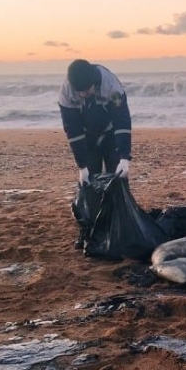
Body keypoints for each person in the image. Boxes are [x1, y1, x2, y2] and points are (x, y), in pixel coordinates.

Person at [58, 59, 132, 248]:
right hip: (86, 135)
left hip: (110, 133)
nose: (82, 94)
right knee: (88, 184)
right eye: (79, 91)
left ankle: (121, 226)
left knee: (118, 179)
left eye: (86, 90)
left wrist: (125, 156)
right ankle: (87, 229)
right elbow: (73, 131)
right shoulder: (68, 91)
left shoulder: (111, 87)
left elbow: (122, 122)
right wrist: (82, 166)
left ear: (96, 83)